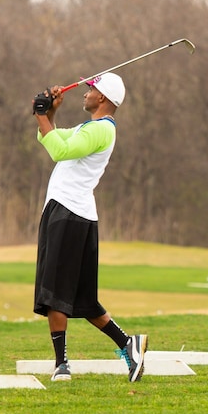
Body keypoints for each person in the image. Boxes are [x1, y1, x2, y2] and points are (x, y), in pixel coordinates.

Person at [31, 73, 147, 382]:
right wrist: (50, 113)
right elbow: (51, 138)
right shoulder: (90, 128)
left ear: (104, 99)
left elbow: (60, 152)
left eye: (91, 89)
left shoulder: (101, 130)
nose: (85, 93)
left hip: (68, 214)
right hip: (73, 213)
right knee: (83, 299)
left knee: (55, 291)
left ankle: (61, 365)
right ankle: (128, 344)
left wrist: (41, 114)